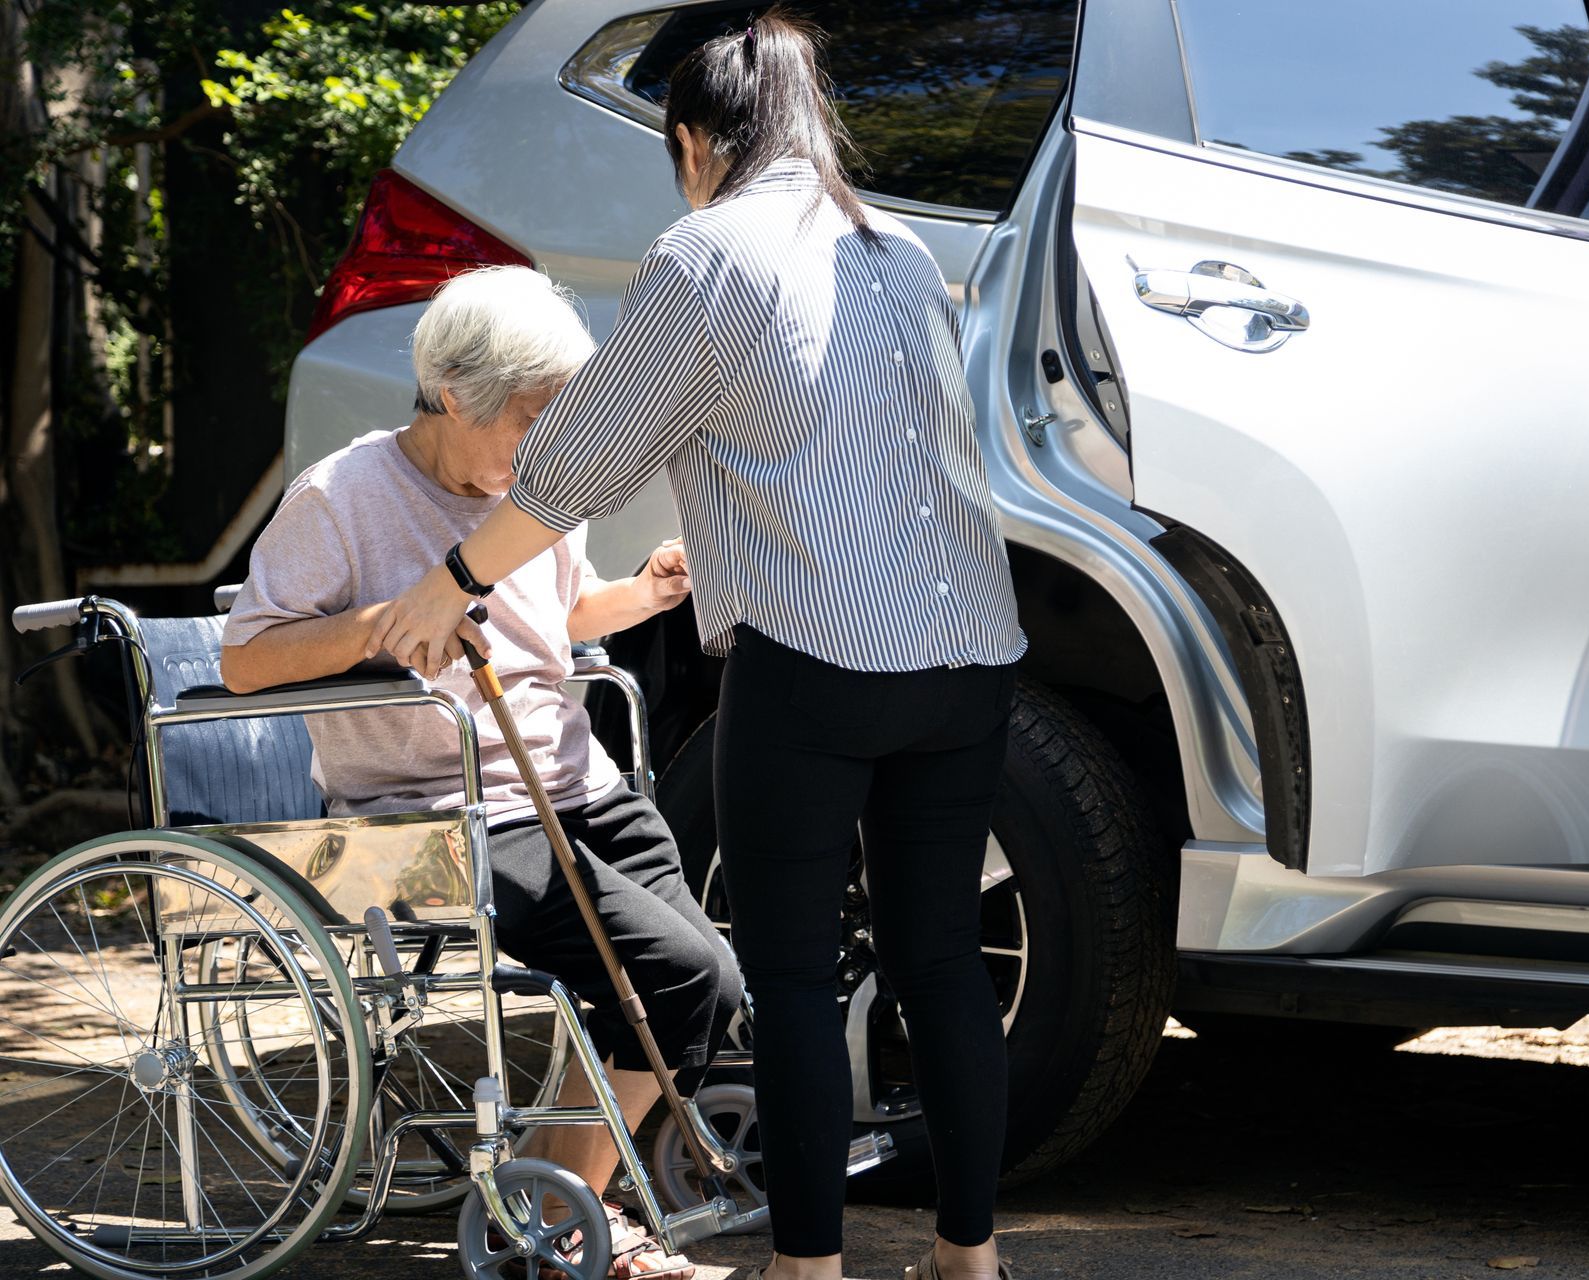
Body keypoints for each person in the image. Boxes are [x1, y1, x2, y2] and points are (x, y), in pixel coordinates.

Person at [365, 13, 1025, 1280]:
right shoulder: (897, 250)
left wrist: (455, 578)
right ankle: (968, 1259)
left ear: (692, 142)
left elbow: (576, 460)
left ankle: (810, 1269)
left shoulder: (705, 252)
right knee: (938, 959)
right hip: (968, 652)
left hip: (818, 657)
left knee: (785, 978)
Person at [221, 265, 742, 1280]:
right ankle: (566, 1210)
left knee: (708, 982)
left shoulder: (532, 489)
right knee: (678, 973)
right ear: (455, 396)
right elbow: (247, 657)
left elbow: (548, 622)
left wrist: (638, 594)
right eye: (529, 420)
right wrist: (383, 623)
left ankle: (557, 1194)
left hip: (575, 786)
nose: (542, 448)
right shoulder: (340, 496)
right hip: (433, 818)